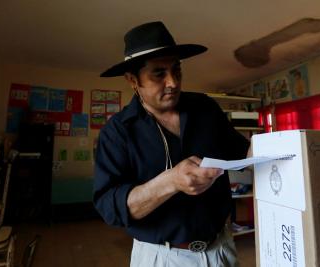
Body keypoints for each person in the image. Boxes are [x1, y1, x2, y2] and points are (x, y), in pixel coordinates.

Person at [94, 21, 250, 267]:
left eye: (176, 70)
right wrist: (170, 181)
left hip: (221, 249)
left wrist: (282, 147)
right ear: (132, 79)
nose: (173, 82)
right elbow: (110, 208)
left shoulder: (205, 109)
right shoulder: (117, 133)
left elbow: (242, 152)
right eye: (159, 73)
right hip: (161, 257)